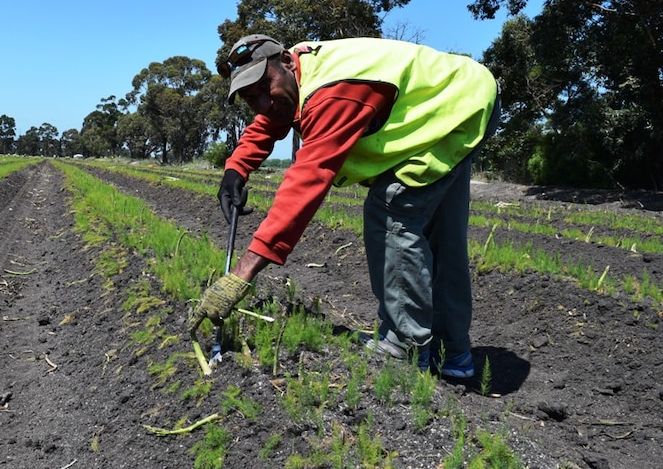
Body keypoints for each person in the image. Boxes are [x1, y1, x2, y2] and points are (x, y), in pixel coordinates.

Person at [187, 34, 500, 378]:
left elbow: (307, 180)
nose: (262, 102)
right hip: (464, 100)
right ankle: (452, 355)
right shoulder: (300, 73)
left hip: (454, 111)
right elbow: (273, 115)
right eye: (250, 98)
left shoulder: (334, 91)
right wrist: (236, 169)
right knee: (439, 234)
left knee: (392, 210)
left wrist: (242, 273)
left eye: (265, 86)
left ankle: (404, 346)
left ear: (287, 63)